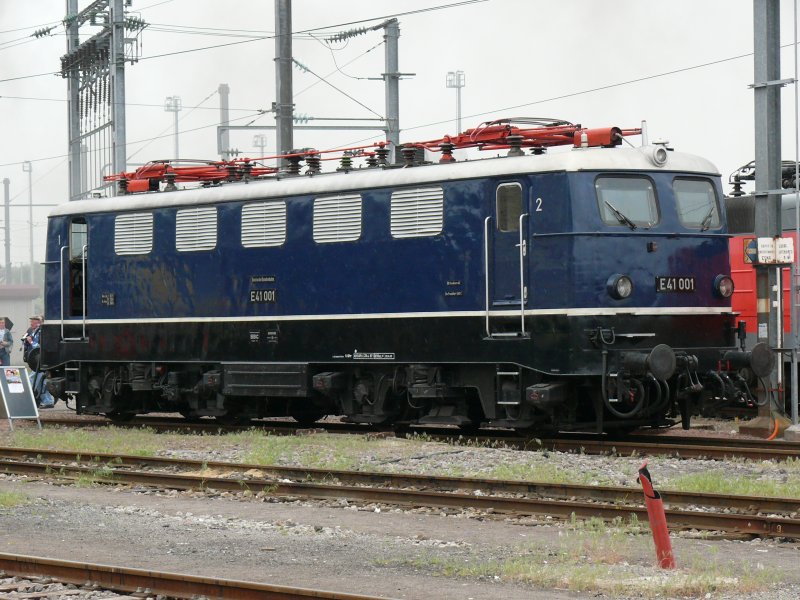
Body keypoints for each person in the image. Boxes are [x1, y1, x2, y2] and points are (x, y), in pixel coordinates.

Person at [22, 315, 54, 408]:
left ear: (38, 322)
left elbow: (41, 347)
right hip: (37, 361)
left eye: (32, 321)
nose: (31, 323)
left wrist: (31, 342)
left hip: (42, 360)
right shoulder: (33, 331)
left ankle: (28, 401)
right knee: (40, 382)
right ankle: (47, 401)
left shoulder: (42, 332)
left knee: (32, 380)